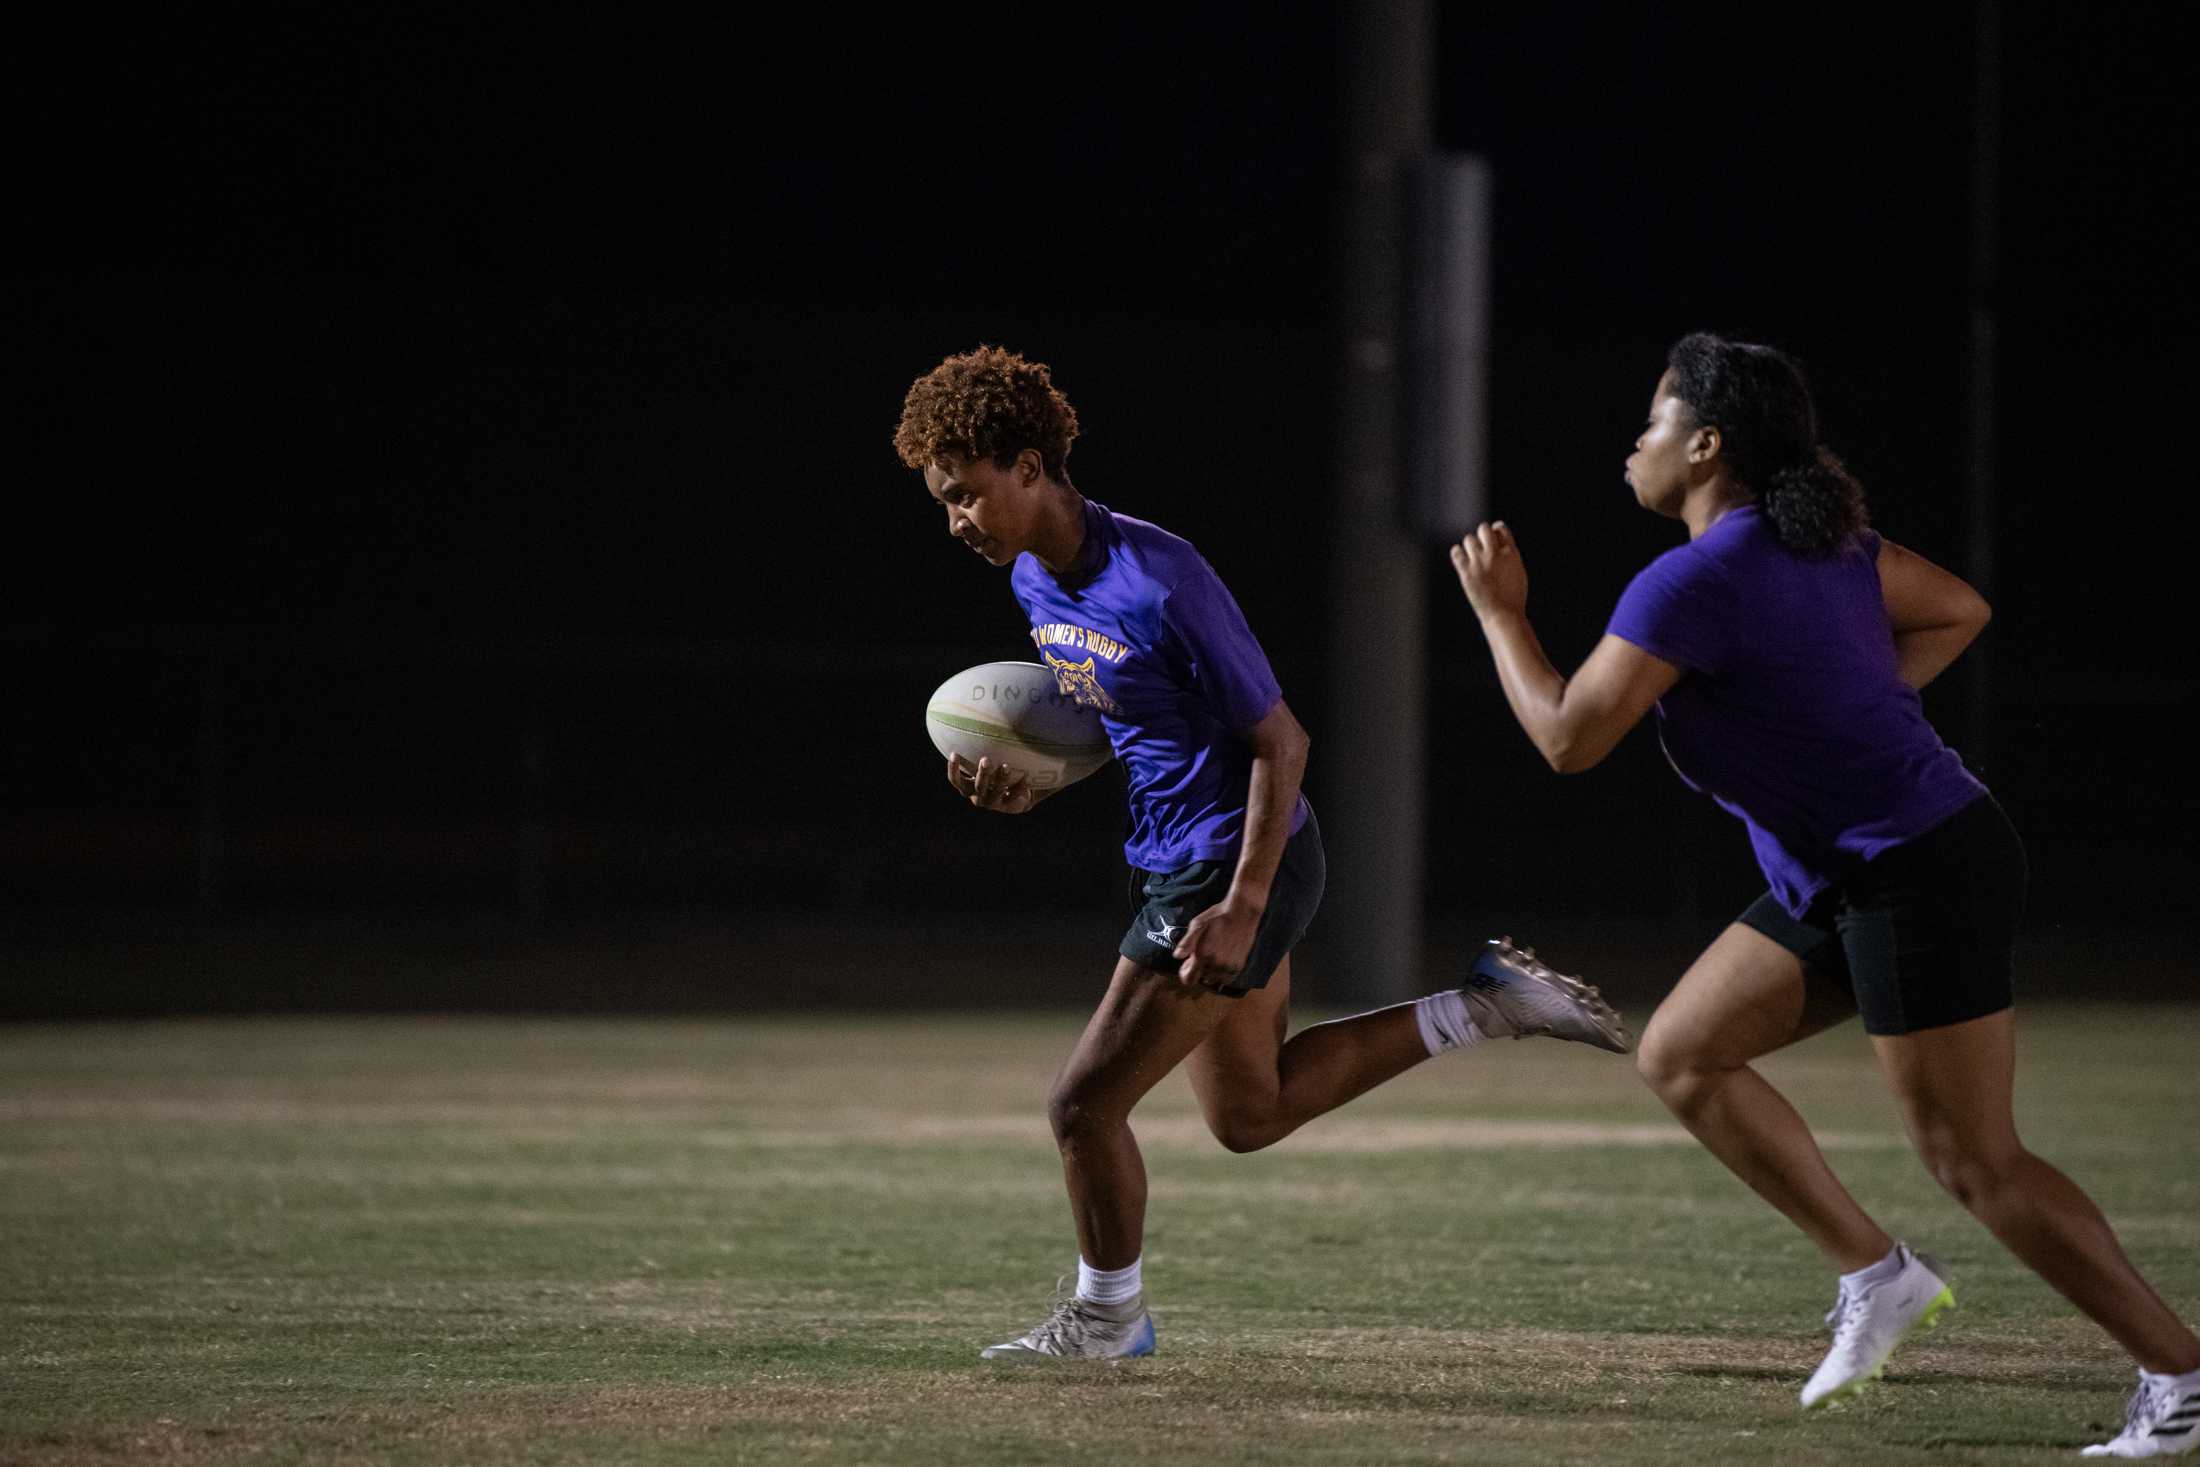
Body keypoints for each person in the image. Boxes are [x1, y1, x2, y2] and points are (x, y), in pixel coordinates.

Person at [1447, 330, 2200, 1456]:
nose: (1635, 440)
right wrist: (1847, 708)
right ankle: (1876, 1274)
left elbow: (1564, 739)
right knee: (1682, 1053)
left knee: (1974, 1161)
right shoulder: (1819, 546)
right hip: (1855, 868)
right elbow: (1957, 608)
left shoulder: (1691, 580)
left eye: (1654, 420)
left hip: (1914, 866)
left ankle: (2180, 1374)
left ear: (1705, 446)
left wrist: (1503, 612)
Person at [895, 344, 1631, 1363]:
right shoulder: (1032, 577)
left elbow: (1280, 740)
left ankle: (1109, 1317)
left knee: (1081, 1106)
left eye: (965, 495)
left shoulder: (1161, 577)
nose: (956, 523)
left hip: (1237, 857)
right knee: (1250, 1111)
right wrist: (1028, 779)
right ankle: (1486, 1001)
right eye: (942, 504)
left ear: (1028, 466)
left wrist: (1241, 903)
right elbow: (1128, 721)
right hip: (1175, 858)